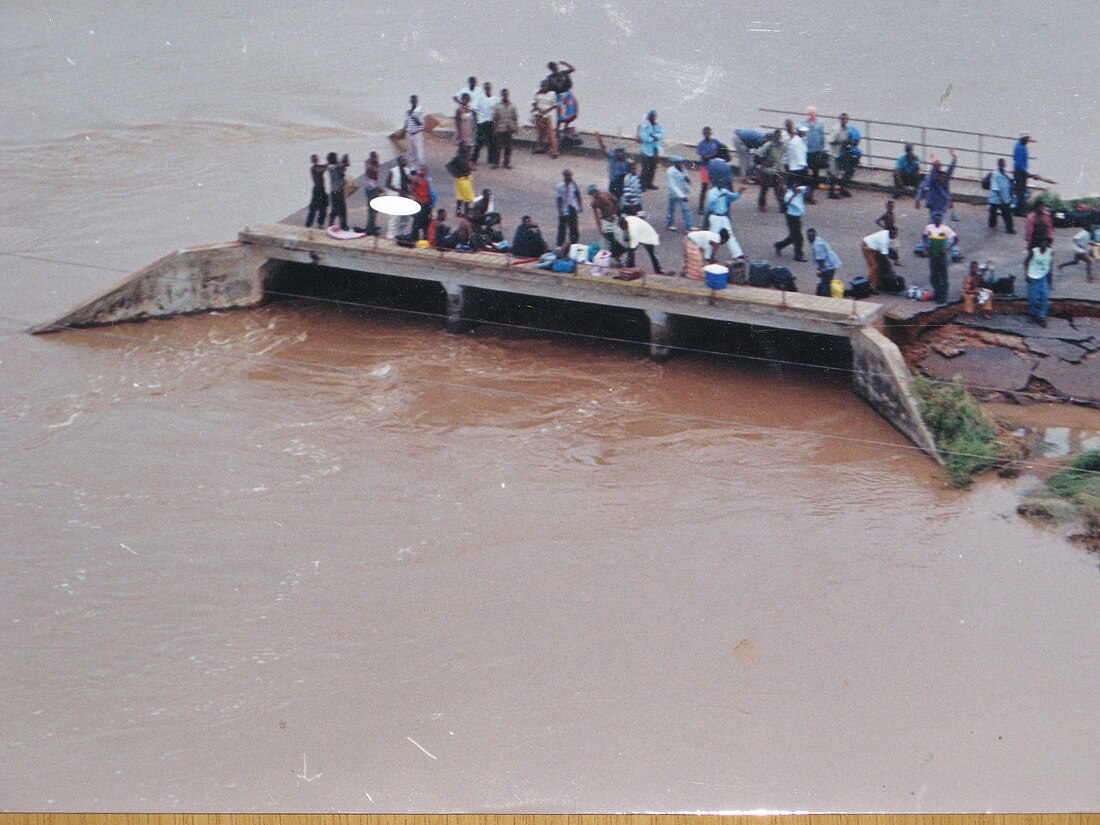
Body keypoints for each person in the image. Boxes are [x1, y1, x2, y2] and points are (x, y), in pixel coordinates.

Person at [706, 182, 747, 259]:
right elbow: (711, 202)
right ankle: (707, 255)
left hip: (724, 217)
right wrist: (720, 196)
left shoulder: (724, 190)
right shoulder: (712, 192)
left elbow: (732, 197)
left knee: (730, 235)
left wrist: (739, 192)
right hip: (715, 217)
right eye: (720, 183)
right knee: (713, 237)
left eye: (722, 183)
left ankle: (737, 254)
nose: (722, 184)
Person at [922, 213, 958, 303]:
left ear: (941, 220)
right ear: (933, 219)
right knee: (934, 276)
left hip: (942, 256)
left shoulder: (945, 229)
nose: (937, 221)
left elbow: (956, 239)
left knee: (943, 276)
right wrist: (926, 246)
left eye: (939, 219)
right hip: (932, 255)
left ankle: (943, 297)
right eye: (936, 219)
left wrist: (948, 249)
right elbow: (924, 236)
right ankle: (937, 294)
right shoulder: (929, 227)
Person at [915, 149, 958, 221]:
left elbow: (950, 169)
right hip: (939, 205)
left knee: (934, 224)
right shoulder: (941, 177)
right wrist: (954, 158)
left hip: (936, 204)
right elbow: (950, 169)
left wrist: (918, 199)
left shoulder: (935, 177)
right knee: (940, 224)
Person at [588, 184, 626, 261]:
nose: (593, 195)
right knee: (606, 241)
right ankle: (609, 259)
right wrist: (600, 228)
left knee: (619, 238)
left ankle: (619, 259)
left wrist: (616, 214)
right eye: (591, 194)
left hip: (615, 220)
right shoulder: (595, 203)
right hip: (606, 221)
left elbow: (616, 203)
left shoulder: (607, 195)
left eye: (594, 192)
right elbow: (596, 216)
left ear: (596, 191)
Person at [800, 106, 828, 201]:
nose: (811, 115)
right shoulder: (803, 124)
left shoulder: (820, 124)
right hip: (807, 150)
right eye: (809, 114)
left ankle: (815, 185)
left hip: (817, 149)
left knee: (816, 168)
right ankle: (808, 187)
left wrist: (822, 147)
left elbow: (822, 136)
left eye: (813, 114)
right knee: (806, 168)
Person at [774, 184, 808, 261]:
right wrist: (794, 195)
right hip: (792, 217)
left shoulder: (800, 189)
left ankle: (779, 245)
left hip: (797, 216)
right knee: (798, 237)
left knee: (794, 236)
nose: (796, 188)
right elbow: (786, 203)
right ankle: (798, 255)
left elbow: (806, 188)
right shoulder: (788, 195)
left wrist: (799, 190)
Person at [754, 129, 785, 212]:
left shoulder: (782, 145)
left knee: (779, 189)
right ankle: (761, 205)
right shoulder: (769, 145)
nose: (779, 138)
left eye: (780, 136)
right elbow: (758, 154)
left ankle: (783, 207)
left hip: (776, 171)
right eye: (778, 136)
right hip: (767, 171)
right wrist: (764, 161)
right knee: (764, 189)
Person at [1025, 237, 1054, 326]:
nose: (1043, 245)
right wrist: (1026, 274)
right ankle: (1033, 314)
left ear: (1048, 244)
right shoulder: (1034, 251)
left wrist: (1050, 281)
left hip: (1043, 277)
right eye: (1042, 243)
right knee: (1033, 297)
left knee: (1045, 297)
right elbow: (1026, 262)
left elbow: (1050, 266)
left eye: (1045, 243)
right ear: (1039, 244)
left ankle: (1042, 316)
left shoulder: (1051, 252)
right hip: (1033, 276)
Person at [827, 112, 857, 198]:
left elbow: (847, 140)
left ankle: (842, 189)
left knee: (845, 171)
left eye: (846, 119)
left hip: (842, 153)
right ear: (840, 119)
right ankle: (831, 192)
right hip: (833, 153)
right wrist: (841, 142)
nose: (844, 121)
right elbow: (830, 141)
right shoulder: (836, 129)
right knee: (834, 174)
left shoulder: (847, 129)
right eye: (843, 119)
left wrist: (849, 141)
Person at [807, 228, 842, 296]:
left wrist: (819, 271)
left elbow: (821, 260)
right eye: (808, 236)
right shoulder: (817, 239)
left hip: (828, 266)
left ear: (814, 235)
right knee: (826, 282)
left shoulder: (817, 246)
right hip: (832, 263)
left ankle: (827, 298)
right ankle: (822, 294)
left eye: (811, 236)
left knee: (826, 284)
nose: (809, 238)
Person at [594, 133, 631, 199]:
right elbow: (604, 149)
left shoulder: (627, 162)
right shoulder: (612, 157)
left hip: (622, 185)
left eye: (620, 152)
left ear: (623, 153)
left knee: (621, 200)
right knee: (611, 199)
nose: (619, 154)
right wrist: (600, 141)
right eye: (617, 152)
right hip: (612, 183)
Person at [861, 226, 897, 292]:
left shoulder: (887, 234)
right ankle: (872, 286)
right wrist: (891, 268)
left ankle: (878, 282)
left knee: (881, 265)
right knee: (874, 266)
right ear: (890, 233)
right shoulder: (884, 241)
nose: (896, 236)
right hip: (867, 247)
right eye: (894, 234)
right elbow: (885, 256)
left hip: (876, 248)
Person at [385, 154, 412, 238]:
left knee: (406, 216)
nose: (405, 162)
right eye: (403, 160)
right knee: (394, 217)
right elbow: (387, 184)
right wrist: (397, 190)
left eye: (405, 160)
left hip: (405, 196)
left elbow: (410, 182)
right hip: (395, 197)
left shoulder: (407, 171)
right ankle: (391, 235)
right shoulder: (393, 171)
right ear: (399, 162)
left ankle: (401, 233)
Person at [666, 156, 696, 231]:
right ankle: (670, 224)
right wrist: (682, 196)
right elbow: (673, 185)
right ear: (675, 163)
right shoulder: (670, 171)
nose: (682, 163)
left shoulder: (683, 169)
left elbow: (685, 178)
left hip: (682, 191)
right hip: (674, 193)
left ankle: (690, 225)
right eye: (680, 162)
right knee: (672, 209)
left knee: (684, 209)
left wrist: (687, 181)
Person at [490, 88, 518, 169]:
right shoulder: (498, 106)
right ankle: (496, 163)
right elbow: (495, 118)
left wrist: (515, 127)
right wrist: (494, 129)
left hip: (509, 129)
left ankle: (506, 163)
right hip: (499, 129)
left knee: (508, 147)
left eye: (506, 94)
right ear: (501, 95)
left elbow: (515, 117)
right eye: (504, 94)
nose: (505, 96)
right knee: (497, 147)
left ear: (508, 95)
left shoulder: (512, 105)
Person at [471, 81, 497, 166]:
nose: (487, 89)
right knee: (479, 142)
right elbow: (474, 110)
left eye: (488, 87)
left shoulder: (495, 99)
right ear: (484, 88)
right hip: (481, 123)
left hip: (491, 123)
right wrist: (475, 122)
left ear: (491, 88)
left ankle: (491, 159)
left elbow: (497, 112)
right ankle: (474, 159)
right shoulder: (479, 98)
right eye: (486, 87)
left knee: (492, 142)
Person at [638, 110, 665, 190]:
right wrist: (654, 138)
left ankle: (650, 183)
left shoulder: (659, 125)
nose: (654, 117)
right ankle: (643, 184)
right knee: (645, 168)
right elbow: (644, 136)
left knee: (653, 167)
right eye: (652, 116)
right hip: (646, 150)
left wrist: (653, 136)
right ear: (649, 117)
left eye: (655, 116)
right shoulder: (644, 126)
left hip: (655, 149)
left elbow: (662, 134)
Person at [987, 157, 1015, 234]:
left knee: (1004, 214)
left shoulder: (1006, 173)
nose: (1003, 166)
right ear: (999, 165)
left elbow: (1010, 182)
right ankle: (994, 225)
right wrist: (1002, 199)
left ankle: (1008, 228)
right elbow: (995, 188)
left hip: (1005, 197)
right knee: (1000, 213)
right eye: (1002, 164)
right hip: (997, 199)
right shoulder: (995, 175)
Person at [696, 127, 721, 213]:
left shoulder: (716, 142)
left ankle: (715, 206)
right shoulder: (701, 144)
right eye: (706, 133)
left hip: (715, 167)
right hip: (705, 168)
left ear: (711, 133)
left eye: (708, 133)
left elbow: (722, 150)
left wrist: (712, 155)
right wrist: (715, 155)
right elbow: (704, 157)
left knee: (715, 187)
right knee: (704, 187)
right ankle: (701, 207)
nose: (707, 134)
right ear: (703, 134)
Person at [555, 169, 582, 246]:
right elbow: (559, 199)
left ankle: (574, 244)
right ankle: (560, 245)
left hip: (572, 207)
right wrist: (560, 211)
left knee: (573, 228)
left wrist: (579, 206)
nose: (569, 177)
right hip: (564, 209)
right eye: (568, 176)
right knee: (562, 228)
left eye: (570, 175)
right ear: (564, 176)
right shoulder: (560, 186)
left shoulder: (574, 184)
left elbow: (578, 194)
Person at [532, 80, 559, 157]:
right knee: (540, 133)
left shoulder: (552, 94)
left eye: (545, 86)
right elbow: (534, 103)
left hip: (548, 115)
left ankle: (554, 150)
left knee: (550, 133)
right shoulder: (537, 93)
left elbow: (554, 105)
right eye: (542, 86)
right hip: (539, 114)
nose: (543, 87)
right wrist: (539, 109)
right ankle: (541, 147)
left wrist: (546, 111)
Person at [446, 146, 474, 216]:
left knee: (460, 196)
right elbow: (449, 165)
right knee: (467, 198)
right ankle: (466, 213)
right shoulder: (460, 158)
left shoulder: (461, 157)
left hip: (461, 179)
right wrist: (456, 173)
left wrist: (455, 173)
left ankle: (458, 212)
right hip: (464, 179)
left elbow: (449, 165)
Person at [326, 151, 349, 231]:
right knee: (341, 209)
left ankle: (331, 224)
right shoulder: (334, 167)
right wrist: (344, 159)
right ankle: (343, 226)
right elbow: (341, 168)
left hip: (335, 190)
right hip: (337, 191)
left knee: (336, 209)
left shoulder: (331, 166)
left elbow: (342, 167)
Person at [362, 152, 384, 235]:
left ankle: (372, 225)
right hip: (372, 190)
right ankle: (370, 229)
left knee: (374, 210)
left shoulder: (370, 164)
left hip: (372, 188)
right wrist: (378, 188)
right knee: (372, 210)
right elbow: (373, 176)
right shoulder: (370, 167)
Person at [409, 168, 433, 239]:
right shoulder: (418, 180)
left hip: (425, 204)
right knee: (418, 223)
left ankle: (421, 239)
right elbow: (412, 191)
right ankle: (416, 238)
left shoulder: (424, 181)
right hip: (422, 204)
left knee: (423, 223)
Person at [305, 154, 328, 228]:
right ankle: (309, 224)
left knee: (323, 207)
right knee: (314, 207)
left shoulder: (318, 166)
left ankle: (320, 223)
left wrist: (328, 164)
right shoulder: (313, 168)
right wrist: (328, 165)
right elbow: (321, 170)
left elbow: (323, 167)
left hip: (321, 189)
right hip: (317, 190)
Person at [404, 95, 427, 170]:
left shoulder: (420, 109)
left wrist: (412, 115)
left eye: (414, 100)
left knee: (420, 154)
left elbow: (420, 123)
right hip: (410, 133)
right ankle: (413, 169)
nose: (413, 102)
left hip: (417, 134)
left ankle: (421, 169)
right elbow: (407, 121)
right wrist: (404, 129)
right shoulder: (408, 108)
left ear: (416, 101)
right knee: (411, 153)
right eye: (411, 100)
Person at [1013, 133, 1032, 217]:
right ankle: (1018, 211)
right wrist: (1026, 172)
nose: (1028, 141)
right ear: (1023, 139)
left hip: (1022, 171)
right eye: (1026, 139)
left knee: (1021, 191)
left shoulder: (1022, 146)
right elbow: (1019, 163)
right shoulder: (1019, 147)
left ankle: (1020, 209)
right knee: (1020, 191)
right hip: (1020, 172)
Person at [786, 124, 809, 190]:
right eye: (803, 132)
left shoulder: (800, 140)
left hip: (795, 167)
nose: (804, 133)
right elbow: (799, 154)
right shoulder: (797, 141)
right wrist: (803, 164)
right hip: (798, 167)